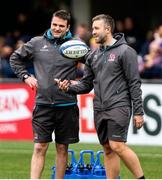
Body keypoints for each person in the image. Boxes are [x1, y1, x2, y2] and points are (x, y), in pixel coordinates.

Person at [55, 14, 145, 179]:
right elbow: (86, 85)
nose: (93, 32)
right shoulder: (92, 56)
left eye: (96, 28)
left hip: (119, 105)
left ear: (108, 29)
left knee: (117, 145)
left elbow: (134, 83)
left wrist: (138, 111)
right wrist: (68, 87)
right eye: (92, 28)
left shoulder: (126, 51)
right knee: (108, 149)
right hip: (99, 108)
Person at [10, 10, 82, 179]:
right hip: (43, 104)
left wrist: (79, 83)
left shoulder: (76, 46)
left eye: (61, 26)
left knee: (62, 148)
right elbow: (15, 58)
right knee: (39, 147)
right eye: (54, 24)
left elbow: (94, 66)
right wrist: (26, 76)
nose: (57, 28)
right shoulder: (36, 43)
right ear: (51, 23)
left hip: (67, 105)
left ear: (68, 27)